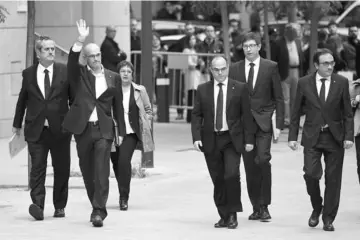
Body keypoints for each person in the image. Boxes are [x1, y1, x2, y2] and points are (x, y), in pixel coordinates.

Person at [62, 19, 125, 227]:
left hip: (104, 130)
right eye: (92, 56)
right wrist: (80, 40)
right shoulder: (79, 75)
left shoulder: (113, 77)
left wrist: (121, 132)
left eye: (98, 54)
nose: (97, 58)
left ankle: (99, 210)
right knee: (88, 172)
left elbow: (118, 107)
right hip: (83, 130)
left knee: (101, 171)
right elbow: (71, 61)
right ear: (86, 58)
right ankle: (95, 205)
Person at [288, 48, 354, 232]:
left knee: (333, 180)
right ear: (316, 65)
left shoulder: (341, 82)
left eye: (332, 62)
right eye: (325, 63)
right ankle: (317, 206)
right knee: (311, 174)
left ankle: (328, 218)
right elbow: (295, 112)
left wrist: (349, 136)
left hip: (334, 137)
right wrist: (292, 137)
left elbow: (347, 113)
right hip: (312, 136)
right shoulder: (304, 83)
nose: (330, 66)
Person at [12, 36, 73, 221]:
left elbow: (74, 100)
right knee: (37, 169)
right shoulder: (28, 74)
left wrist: (74, 123)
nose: (51, 52)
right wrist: (16, 124)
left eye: (53, 49)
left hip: (60, 130)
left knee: (62, 169)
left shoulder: (64, 71)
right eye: (47, 49)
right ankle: (37, 205)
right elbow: (22, 99)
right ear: (38, 53)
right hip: (36, 130)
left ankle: (59, 206)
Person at [191, 56, 255, 229]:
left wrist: (249, 140)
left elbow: (247, 116)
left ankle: (233, 213)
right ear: (211, 70)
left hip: (232, 139)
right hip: (211, 139)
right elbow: (197, 115)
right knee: (218, 179)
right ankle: (223, 215)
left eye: (223, 69)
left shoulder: (239, 88)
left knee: (231, 175)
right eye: (216, 69)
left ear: (228, 68)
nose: (220, 73)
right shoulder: (203, 89)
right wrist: (196, 137)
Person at [229, 32, 284, 222]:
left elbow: (278, 97)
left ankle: (265, 206)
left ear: (259, 47)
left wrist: (278, 123)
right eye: (245, 46)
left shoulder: (270, 67)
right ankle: (255, 207)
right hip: (244, 126)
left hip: (263, 122)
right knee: (250, 166)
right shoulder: (234, 68)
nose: (249, 49)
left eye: (252, 45)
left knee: (263, 160)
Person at [110, 61, 154, 211]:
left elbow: (148, 109)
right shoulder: (113, 90)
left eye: (129, 71)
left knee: (123, 162)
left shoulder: (139, 90)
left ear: (132, 74)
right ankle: (122, 187)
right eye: (123, 71)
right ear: (119, 73)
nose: (126, 74)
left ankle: (124, 197)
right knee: (116, 164)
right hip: (116, 132)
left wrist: (146, 121)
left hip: (132, 133)